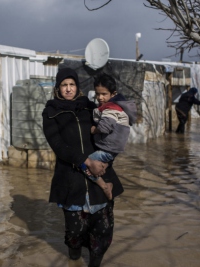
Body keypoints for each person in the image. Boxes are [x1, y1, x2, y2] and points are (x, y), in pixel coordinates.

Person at [42, 68, 124, 266]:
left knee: (103, 231)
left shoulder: (90, 107)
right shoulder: (51, 112)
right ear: (58, 87)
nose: (69, 89)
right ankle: (74, 259)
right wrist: (88, 162)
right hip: (71, 178)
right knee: (75, 233)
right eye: (64, 85)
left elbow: (110, 135)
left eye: (72, 84)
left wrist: (104, 163)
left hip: (101, 176)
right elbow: (59, 146)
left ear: (77, 86)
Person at [80, 73, 137, 200]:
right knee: (99, 167)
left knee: (85, 165)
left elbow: (105, 127)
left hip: (108, 149)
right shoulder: (115, 107)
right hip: (113, 149)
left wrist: (94, 130)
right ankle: (105, 170)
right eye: (98, 94)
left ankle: (105, 186)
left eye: (104, 94)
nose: (100, 97)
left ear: (113, 94)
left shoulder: (111, 108)